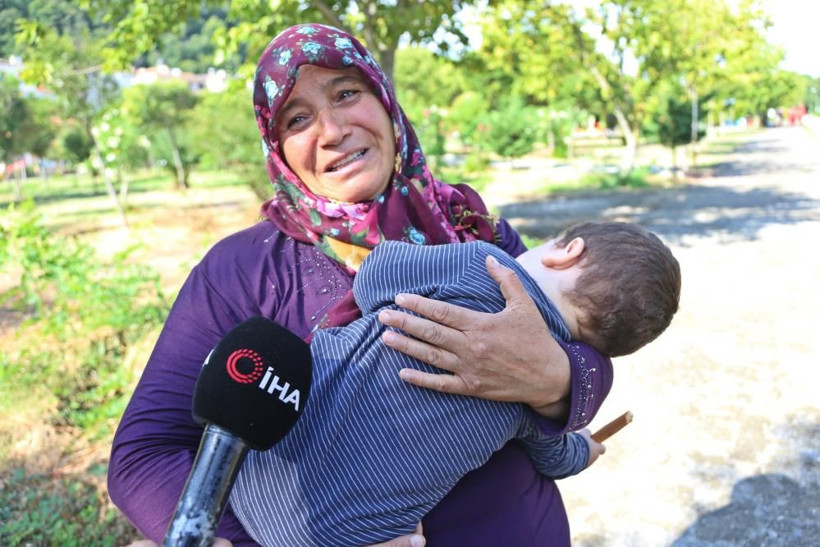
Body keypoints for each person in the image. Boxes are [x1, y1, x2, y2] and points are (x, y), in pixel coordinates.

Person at [108, 23, 614, 546]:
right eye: (297, 118)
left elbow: (589, 337)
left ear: (384, 100)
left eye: (346, 93)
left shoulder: (470, 224)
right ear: (276, 146)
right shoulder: (241, 271)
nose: (331, 130)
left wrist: (554, 379)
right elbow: (146, 454)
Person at [229, 220, 680, 546]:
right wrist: (585, 448)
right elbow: (553, 455)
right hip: (344, 536)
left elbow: (377, 275)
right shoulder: (529, 397)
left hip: (254, 480)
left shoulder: (479, 263)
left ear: (567, 251)